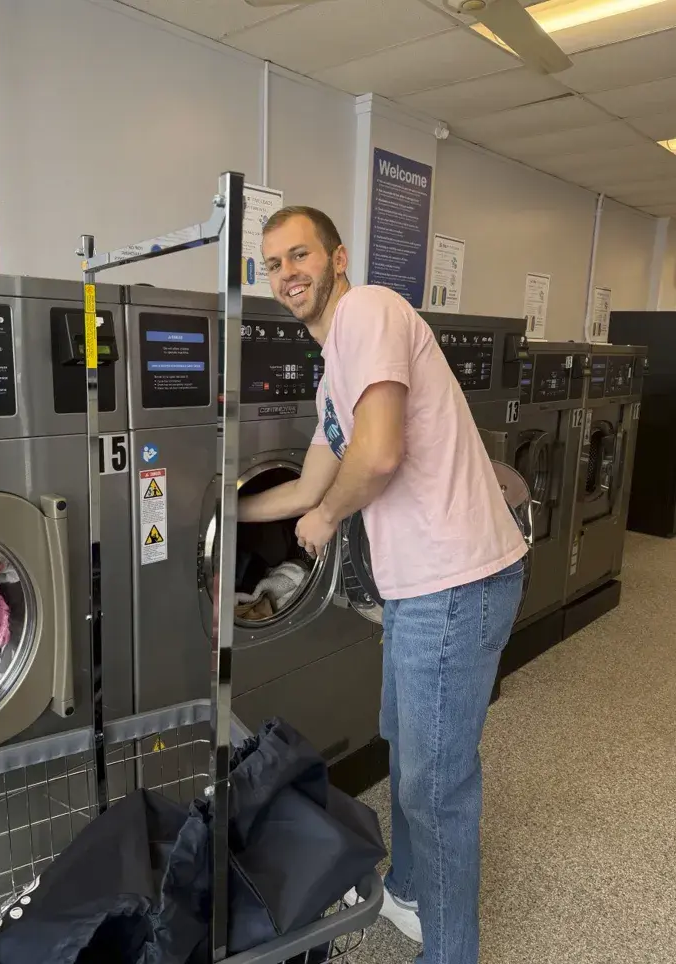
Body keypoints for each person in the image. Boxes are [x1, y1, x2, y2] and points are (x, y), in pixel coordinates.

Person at [238, 206, 527, 964]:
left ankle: (449, 953)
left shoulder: (368, 309)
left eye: (299, 254)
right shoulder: (336, 365)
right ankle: (406, 892)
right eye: (272, 263)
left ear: (337, 259)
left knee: (438, 791)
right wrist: (223, 511)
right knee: (408, 752)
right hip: (425, 590)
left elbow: (377, 455)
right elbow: (304, 485)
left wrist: (329, 518)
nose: (286, 272)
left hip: (454, 586)